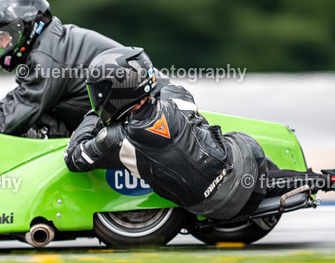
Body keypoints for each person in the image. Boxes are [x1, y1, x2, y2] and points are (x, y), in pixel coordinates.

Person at [64, 47, 334, 220]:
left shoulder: (114, 140)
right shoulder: (176, 96)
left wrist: (94, 115)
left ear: (113, 93)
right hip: (241, 162)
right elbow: (163, 86)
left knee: (239, 177)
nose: (95, 98)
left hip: (207, 208)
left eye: (97, 92)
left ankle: (309, 181)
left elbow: (73, 158)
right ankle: (318, 179)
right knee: (243, 157)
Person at [0, 0, 146, 137]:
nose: (0, 45)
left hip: (146, 119)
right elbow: (22, 101)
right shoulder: (54, 43)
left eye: (3, 37)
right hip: (138, 119)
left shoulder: (46, 56)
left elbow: (16, 112)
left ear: (23, 28)